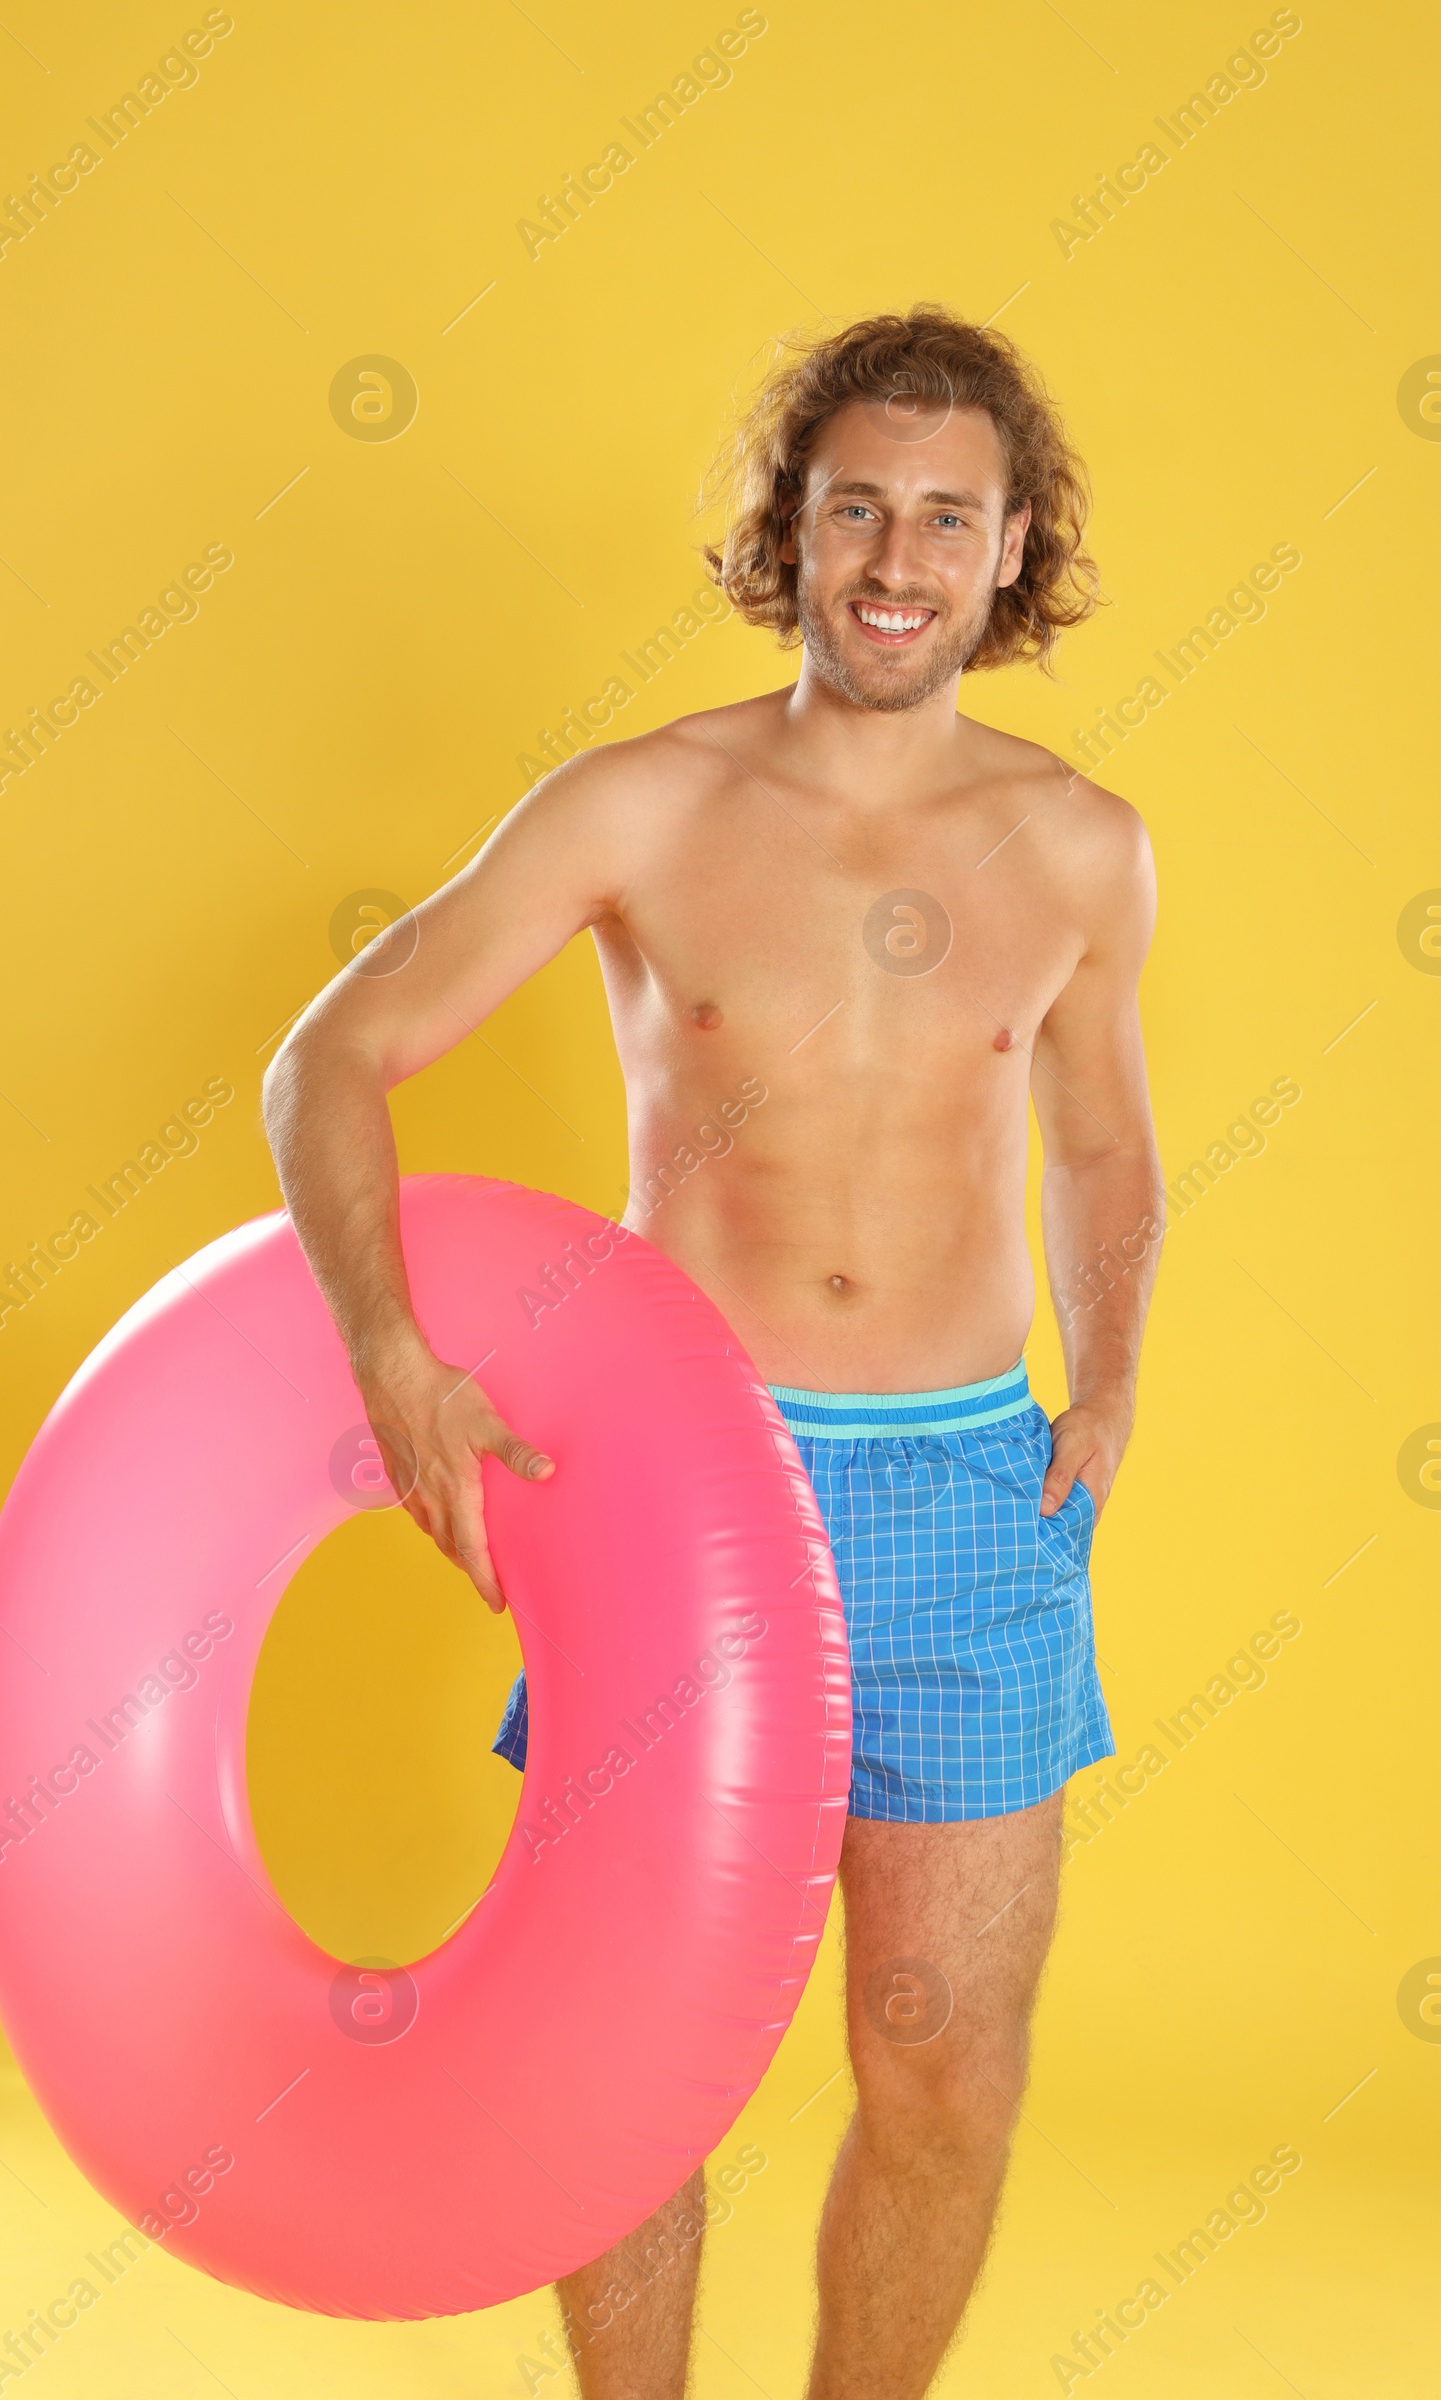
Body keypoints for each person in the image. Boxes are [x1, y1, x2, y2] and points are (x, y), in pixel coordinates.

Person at [262, 306, 1163, 2399]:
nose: (894, 556)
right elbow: (335, 1060)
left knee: (942, 2081)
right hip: (686, 1496)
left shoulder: (1082, 846)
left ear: (1009, 547)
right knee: (616, 2074)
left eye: (946, 518)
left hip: (964, 1496)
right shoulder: (639, 809)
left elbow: (1101, 1143)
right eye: (855, 505)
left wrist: (1103, 1391)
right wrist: (390, 1356)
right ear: (793, 524)